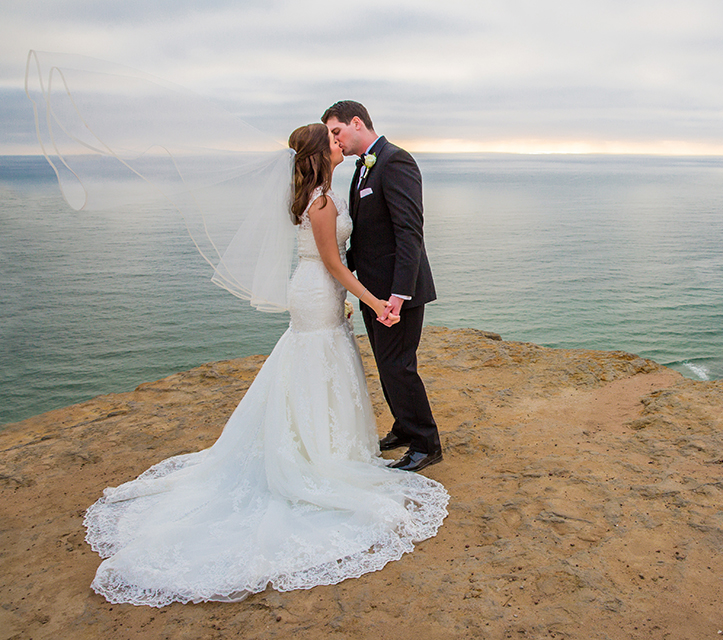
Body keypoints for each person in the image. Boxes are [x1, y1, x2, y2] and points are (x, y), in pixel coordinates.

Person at [81, 123, 449, 607]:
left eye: (342, 135)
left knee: (325, 364)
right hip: (320, 291)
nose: (341, 144)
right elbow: (334, 264)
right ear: (322, 153)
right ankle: (321, 451)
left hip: (324, 290)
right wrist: (375, 298)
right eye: (333, 140)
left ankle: (329, 440)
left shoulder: (321, 193)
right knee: (320, 362)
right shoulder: (320, 201)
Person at [322, 101, 442, 473]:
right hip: (373, 294)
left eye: (337, 131)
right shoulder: (362, 168)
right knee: (387, 365)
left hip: (397, 294)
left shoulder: (396, 161)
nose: (336, 141)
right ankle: (405, 428)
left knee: (398, 366)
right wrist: (346, 278)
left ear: (356, 122)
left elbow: (409, 234)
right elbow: (370, 237)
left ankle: (426, 444)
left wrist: (398, 296)